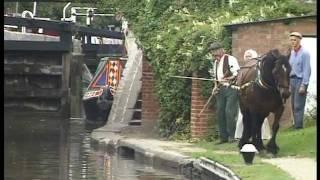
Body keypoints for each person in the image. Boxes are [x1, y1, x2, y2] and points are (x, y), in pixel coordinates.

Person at [234, 49, 271, 140]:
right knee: (243, 116)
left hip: (257, 97)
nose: (248, 58)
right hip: (245, 97)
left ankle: (262, 135)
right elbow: (239, 82)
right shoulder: (243, 69)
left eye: (250, 56)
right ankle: (242, 135)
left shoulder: (258, 68)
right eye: (246, 56)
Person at [209, 42, 240, 144]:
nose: (214, 53)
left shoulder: (230, 59)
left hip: (231, 88)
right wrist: (215, 87)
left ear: (221, 49)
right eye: (213, 51)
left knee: (229, 111)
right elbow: (215, 78)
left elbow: (236, 74)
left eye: (216, 50)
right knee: (220, 112)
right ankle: (223, 137)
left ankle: (232, 136)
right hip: (220, 89)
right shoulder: (215, 63)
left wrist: (227, 78)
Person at [289, 32, 311, 129]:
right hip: (292, 80)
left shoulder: (305, 53)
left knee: (298, 105)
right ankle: (295, 124)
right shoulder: (292, 53)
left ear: (299, 40)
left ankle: (298, 126)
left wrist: (304, 84)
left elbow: (307, 70)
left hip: (300, 80)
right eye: (291, 40)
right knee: (293, 105)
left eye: (294, 40)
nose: (292, 42)